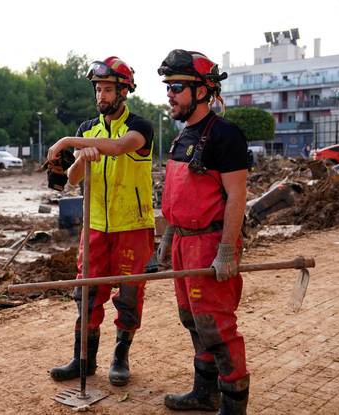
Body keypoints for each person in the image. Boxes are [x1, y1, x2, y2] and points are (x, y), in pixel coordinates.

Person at [46, 56, 154, 386]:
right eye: (98, 90)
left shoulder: (140, 127)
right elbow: (74, 178)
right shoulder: (88, 130)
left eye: (107, 89)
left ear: (124, 91)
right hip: (94, 226)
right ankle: (84, 360)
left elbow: (120, 147)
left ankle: (120, 358)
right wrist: (82, 157)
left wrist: (68, 143)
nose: (101, 96)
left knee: (128, 296)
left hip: (132, 225)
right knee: (88, 292)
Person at [156, 49, 250, 414]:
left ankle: (233, 404)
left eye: (176, 86)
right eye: (167, 87)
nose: (169, 94)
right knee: (192, 319)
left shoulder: (225, 135)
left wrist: (226, 250)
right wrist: (168, 236)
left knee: (216, 326)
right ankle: (204, 392)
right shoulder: (183, 136)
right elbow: (178, 193)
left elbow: (236, 196)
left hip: (209, 244)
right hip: (182, 242)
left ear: (202, 90)